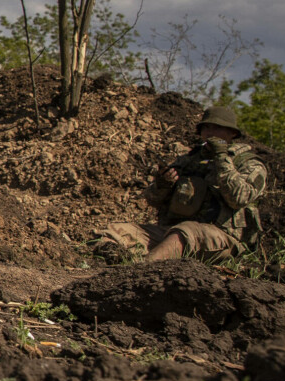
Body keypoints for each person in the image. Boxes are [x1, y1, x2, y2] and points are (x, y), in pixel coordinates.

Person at [99, 104, 268, 263]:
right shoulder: (189, 160)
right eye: (206, 128)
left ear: (232, 134)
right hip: (172, 231)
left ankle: (140, 271)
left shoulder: (248, 163)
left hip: (221, 238)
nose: (210, 132)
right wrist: (163, 185)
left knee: (184, 233)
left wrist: (222, 158)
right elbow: (152, 200)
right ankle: (105, 267)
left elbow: (238, 198)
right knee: (116, 231)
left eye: (217, 128)